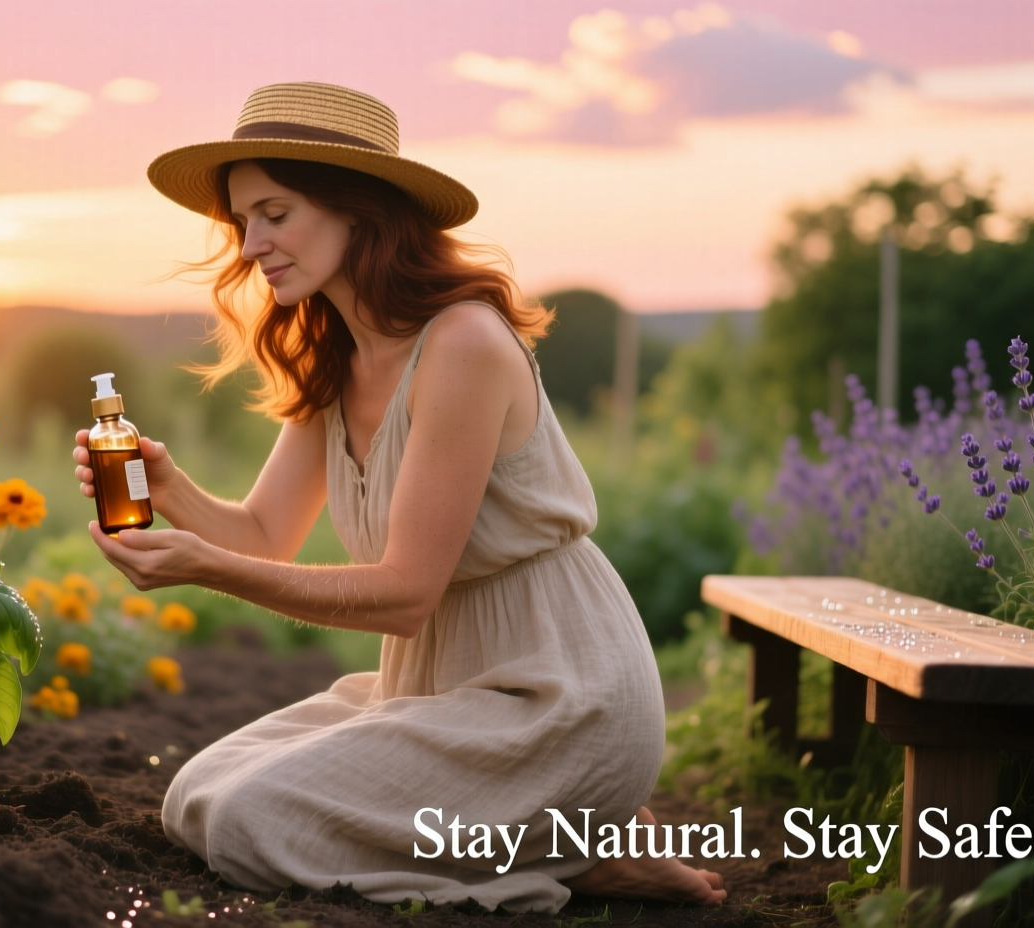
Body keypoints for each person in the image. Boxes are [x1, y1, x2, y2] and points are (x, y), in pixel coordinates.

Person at [71, 82, 726, 914]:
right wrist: (170, 490)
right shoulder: (335, 360)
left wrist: (204, 568)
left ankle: (575, 847)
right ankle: (571, 838)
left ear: (359, 210)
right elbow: (266, 533)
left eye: (275, 213)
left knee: (245, 821)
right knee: (195, 794)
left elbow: (407, 593)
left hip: (557, 695)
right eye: (243, 221)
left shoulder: (463, 344)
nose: (251, 243)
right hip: (436, 688)